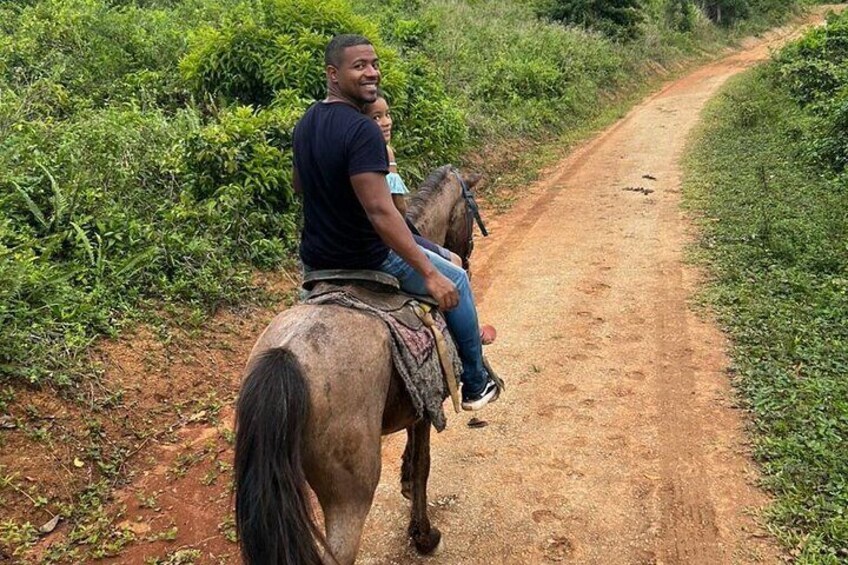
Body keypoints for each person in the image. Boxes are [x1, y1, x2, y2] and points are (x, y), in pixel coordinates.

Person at [292, 34, 498, 410]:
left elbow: (299, 186)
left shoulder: (307, 122)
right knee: (459, 281)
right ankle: (475, 382)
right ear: (333, 74)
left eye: (374, 64)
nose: (372, 72)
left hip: (317, 261)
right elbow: (382, 213)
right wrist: (431, 275)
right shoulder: (363, 131)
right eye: (360, 66)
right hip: (368, 257)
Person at [363, 92, 497, 345]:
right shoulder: (385, 153)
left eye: (387, 115)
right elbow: (398, 209)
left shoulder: (350, 147)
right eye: (376, 117)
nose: (386, 122)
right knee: (456, 266)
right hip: (385, 236)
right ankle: (470, 355)